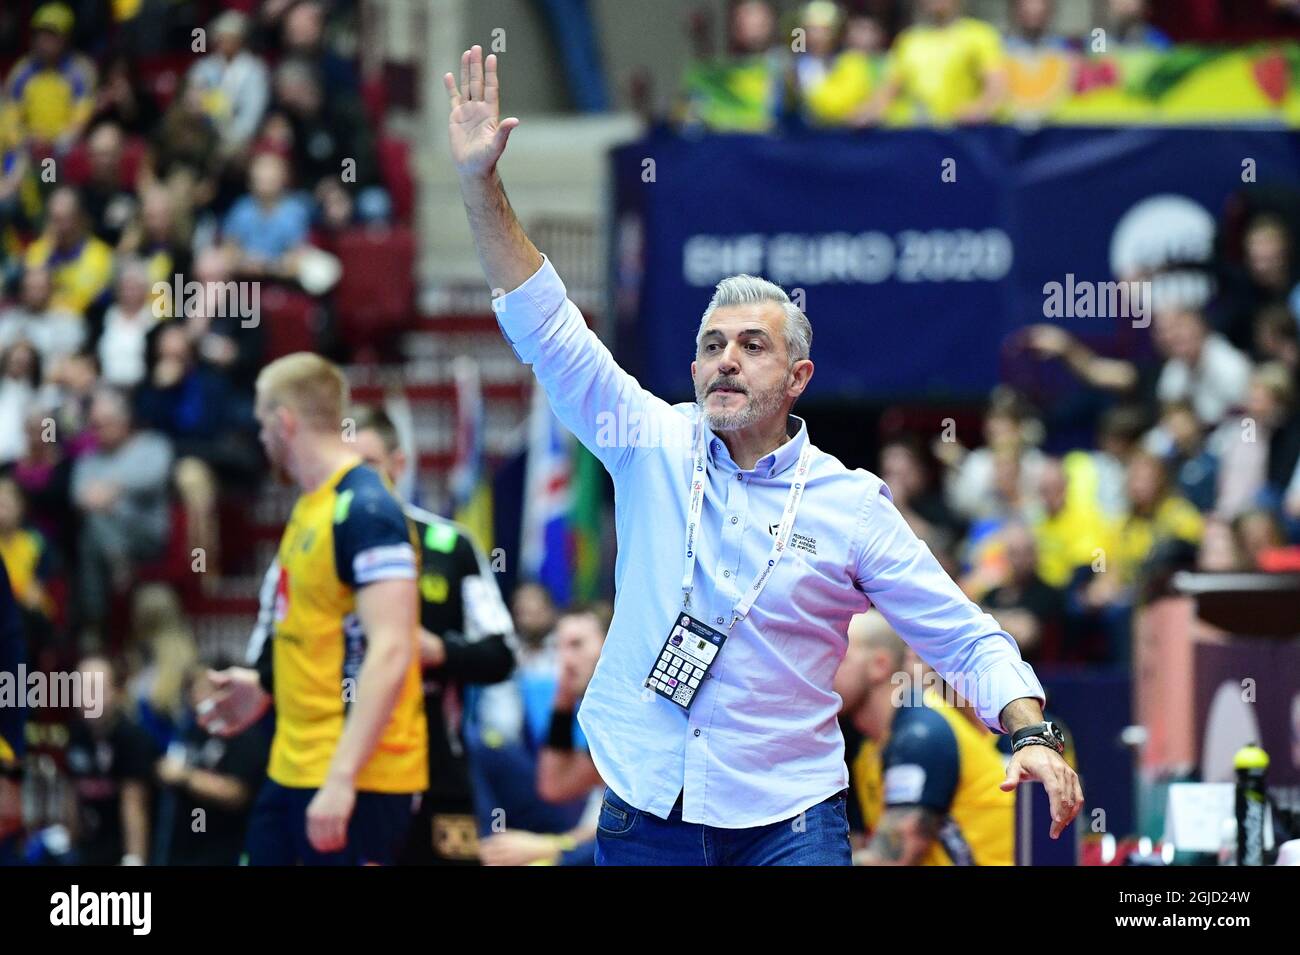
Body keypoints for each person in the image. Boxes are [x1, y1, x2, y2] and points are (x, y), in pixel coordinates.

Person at [444, 45, 1081, 866]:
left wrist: (1030, 730)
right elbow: (545, 321)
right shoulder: (651, 441)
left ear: (799, 377)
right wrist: (477, 183)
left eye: (752, 345)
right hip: (644, 808)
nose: (726, 359)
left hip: (789, 822)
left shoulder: (850, 504)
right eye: (711, 344)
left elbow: (962, 636)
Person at [197, 353, 426, 866]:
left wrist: (342, 779)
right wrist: (264, 687)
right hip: (293, 764)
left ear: (284, 422)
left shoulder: (367, 508)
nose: (260, 440)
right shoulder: (310, 504)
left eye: (262, 425)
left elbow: (391, 649)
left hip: (355, 776)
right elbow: (316, 629)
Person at [348, 404, 517, 866]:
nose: (355, 486)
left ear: (398, 465)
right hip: (344, 771)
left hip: (438, 771)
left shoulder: (450, 545)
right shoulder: (316, 550)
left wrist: (439, 650)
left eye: (367, 467)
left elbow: (503, 654)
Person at [836, 613, 1015, 865]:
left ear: (880, 664)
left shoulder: (921, 734)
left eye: (837, 655)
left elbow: (891, 859)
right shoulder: (869, 749)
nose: (821, 667)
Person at [478, 603, 608, 867]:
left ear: (611, 644)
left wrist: (552, 847)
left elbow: (625, 834)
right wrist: (564, 695)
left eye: (576, 645)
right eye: (558, 647)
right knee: (481, 748)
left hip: (620, 848)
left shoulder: (632, 713)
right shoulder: (595, 712)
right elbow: (554, 786)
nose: (565, 660)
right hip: (587, 834)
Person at [70, 387, 173, 630]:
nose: (99, 430)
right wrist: (103, 499)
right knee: (92, 532)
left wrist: (114, 488)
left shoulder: (152, 445)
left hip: (145, 534)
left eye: (106, 423)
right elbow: (79, 497)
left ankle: (94, 626)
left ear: (124, 420)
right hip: (103, 535)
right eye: (94, 425)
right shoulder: (88, 459)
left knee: (93, 530)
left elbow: (154, 477)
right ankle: (118, 561)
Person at [855, 0, 1007, 126]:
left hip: (962, 141)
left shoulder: (980, 35)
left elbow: (996, 90)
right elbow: (886, 92)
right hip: (918, 138)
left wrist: (978, 110)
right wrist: (863, 114)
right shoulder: (908, 40)